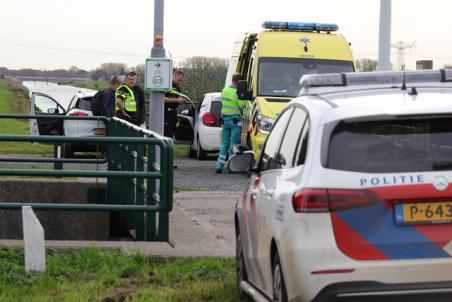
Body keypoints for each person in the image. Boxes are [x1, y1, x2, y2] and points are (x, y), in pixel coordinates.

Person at [215, 73, 245, 174]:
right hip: (235, 121)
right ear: (239, 82)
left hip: (225, 120)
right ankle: (232, 167)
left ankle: (219, 166)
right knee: (233, 145)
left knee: (224, 144)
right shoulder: (238, 92)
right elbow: (242, 107)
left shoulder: (224, 90)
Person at [163, 70, 186, 138]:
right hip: (165, 114)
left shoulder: (177, 88)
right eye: (179, 80)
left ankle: (169, 148)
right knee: (166, 135)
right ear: (174, 75)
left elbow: (175, 99)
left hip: (173, 114)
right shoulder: (166, 85)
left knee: (171, 135)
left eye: (181, 81)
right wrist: (177, 100)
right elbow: (162, 99)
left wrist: (180, 101)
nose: (180, 82)